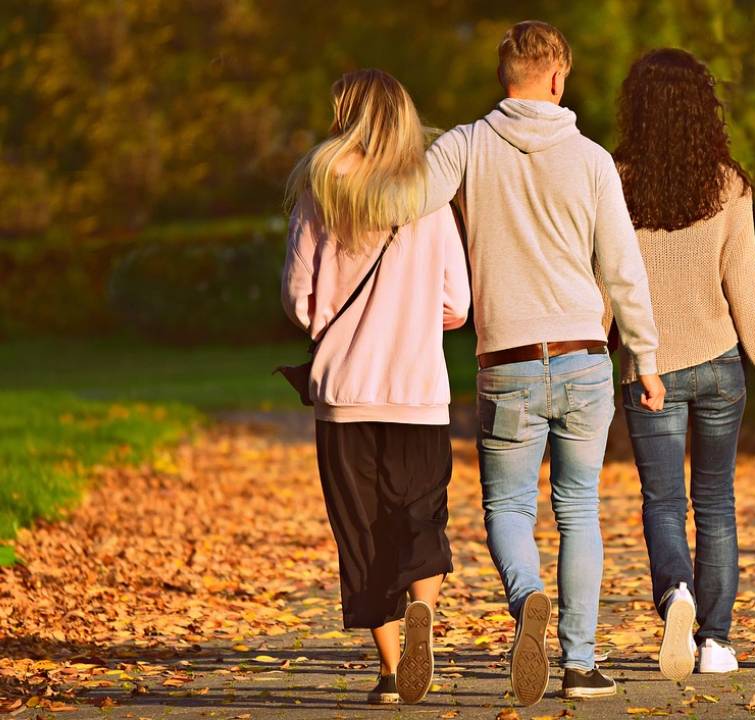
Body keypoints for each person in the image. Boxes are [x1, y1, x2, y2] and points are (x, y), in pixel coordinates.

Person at [420, 21, 663, 705]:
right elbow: (622, 269)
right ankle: (581, 665)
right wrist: (644, 357)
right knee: (580, 508)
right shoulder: (590, 160)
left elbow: (405, 205)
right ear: (558, 77)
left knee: (507, 503)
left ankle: (528, 598)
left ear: (506, 77)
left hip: (509, 360)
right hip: (586, 356)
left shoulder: (463, 146)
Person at [611, 49, 755, 682]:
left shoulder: (614, 180)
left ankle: (676, 593)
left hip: (649, 367)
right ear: (705, 107)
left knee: (664, 502)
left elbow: (606, 283)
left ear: (637, 110)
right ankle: (717, 642)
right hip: (721, 365)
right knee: (717, 502)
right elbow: (744, 288)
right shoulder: (730, 184)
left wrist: (590, 354)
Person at [281, 69, 470, 704]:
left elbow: (300, 301)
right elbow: (457, 305)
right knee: (419, 518)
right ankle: (424, 617)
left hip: (344, 395)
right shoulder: (430, 193)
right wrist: (411, 312)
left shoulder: (319, 188)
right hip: (419, 390)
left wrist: (333, 319)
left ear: (350, 116)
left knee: (361, 535)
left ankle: (392, 673)